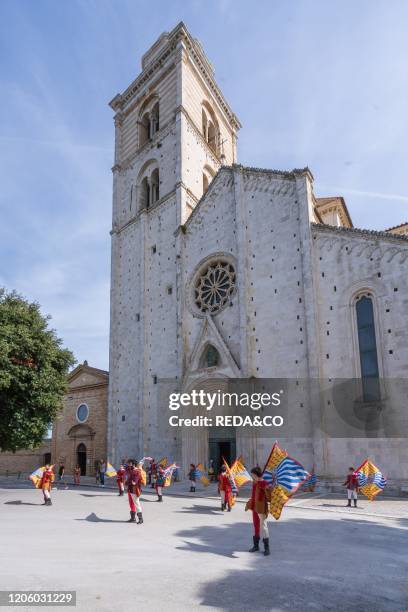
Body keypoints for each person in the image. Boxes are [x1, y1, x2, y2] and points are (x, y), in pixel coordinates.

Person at [245, 466, 271, 556]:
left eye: (252, 474)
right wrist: (250, 503)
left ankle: (267, 548)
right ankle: (256, 546)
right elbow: (253, 495)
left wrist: (265, 488)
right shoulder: (255, 482)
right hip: (254, 507)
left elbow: (269, 497)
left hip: (261, 508)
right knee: (255, 526)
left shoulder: (264, 483)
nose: (252, 476)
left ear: (256, 474)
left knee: (263, 526)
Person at [125, 459, 143, 524]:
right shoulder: (130, 470)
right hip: (130, 489)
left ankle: (140, 519)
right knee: (131, 503)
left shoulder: (137, 471)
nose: (128, 464)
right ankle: (133, 518)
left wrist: (128, 482)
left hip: (134, 489)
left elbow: (134, 482)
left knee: (137, 503)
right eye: (128, 463)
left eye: (129, 463)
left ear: (133, 464)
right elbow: (128, 478)